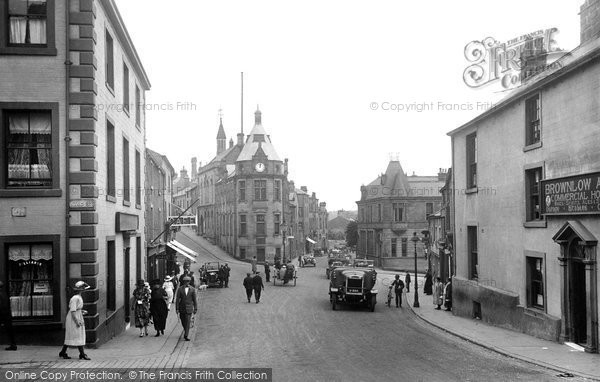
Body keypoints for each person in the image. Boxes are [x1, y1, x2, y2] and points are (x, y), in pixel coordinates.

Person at [59, 281, 90, 360]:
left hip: (77, 315)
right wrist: (77, 321)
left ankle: (63, 352)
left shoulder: (79, 297)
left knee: (76, 335)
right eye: (83, 288)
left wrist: (82, 312)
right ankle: (82, 354)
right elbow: (73, 311)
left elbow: (76, 309)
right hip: (73, 318)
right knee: (75, 335)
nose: (84, 289)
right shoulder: (75, 298)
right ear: (80, 289)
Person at [175, 276, 197, 341]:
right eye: (185, 281)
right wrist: (177, 308)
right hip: (182, 308)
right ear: (183, 282)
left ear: (189, 282)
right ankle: (186, 329)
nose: (187, 283)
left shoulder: (192, 289)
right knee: (183, 321)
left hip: (189, 308)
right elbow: (177, 299)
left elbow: (194, 300)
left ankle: (186, 335)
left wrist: (195, 308)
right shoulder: (180, 289)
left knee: (187, 321)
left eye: (188, 281)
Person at [0, 281, 17, 351]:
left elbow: (1, 306)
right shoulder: (4, 293)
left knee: (9, 330)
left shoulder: (1, 294)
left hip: (3, 314)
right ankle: (13, 345)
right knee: (9, 330)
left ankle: (13, 345)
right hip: (6, 314)